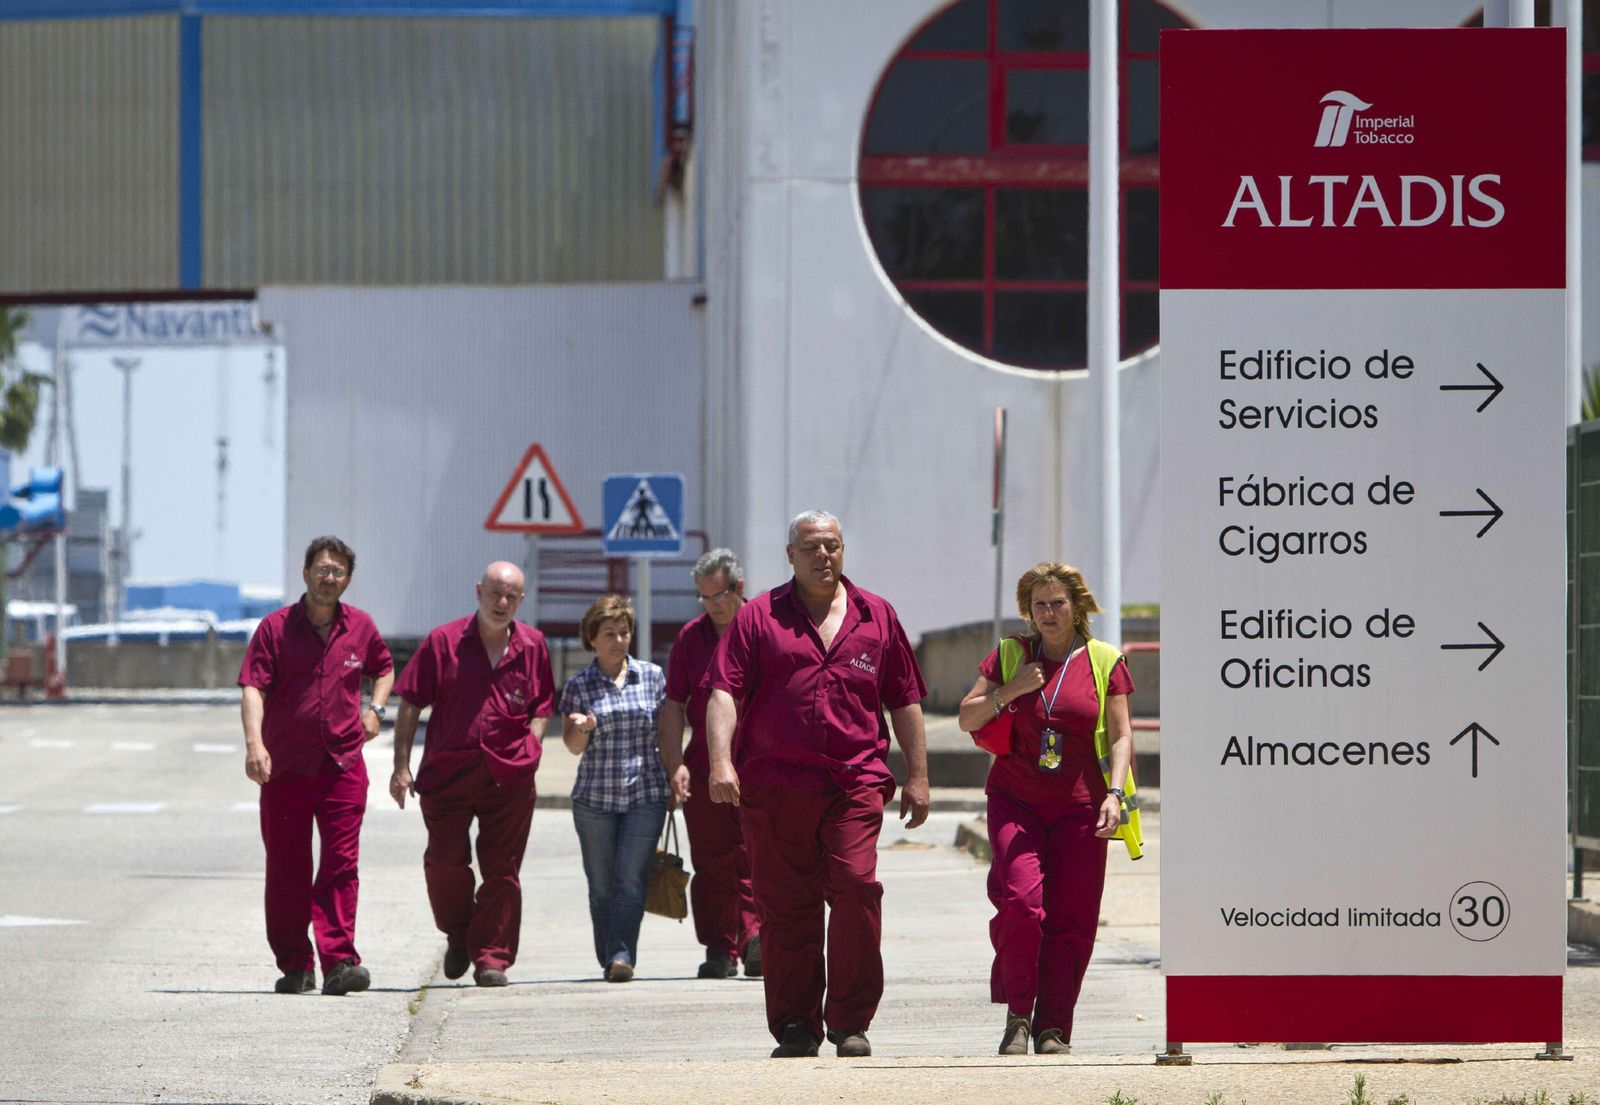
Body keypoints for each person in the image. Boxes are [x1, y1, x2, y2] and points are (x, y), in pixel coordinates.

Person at [704, 510, 930, 1059]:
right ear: (790, 556)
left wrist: (919, 776)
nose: (823, 555)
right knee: (786, 906)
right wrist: (720, 762)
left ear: (843, 549)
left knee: (856, 887)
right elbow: (724, 691)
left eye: (831, 545)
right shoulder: (758, 617)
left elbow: (904, 699)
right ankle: (796, 1024)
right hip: (776, 785)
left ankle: (850, 1021)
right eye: (810, 547)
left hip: (855, 781)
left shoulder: (877, 615)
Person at [956, 561, 1140, 1056]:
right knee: (1020, 903)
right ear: (1028, 611)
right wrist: (1012, 690)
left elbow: (1121, 735)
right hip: (1016, 799)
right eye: (1039, 604)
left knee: (1072, 920)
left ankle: (1053, 1026)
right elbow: (967, 717)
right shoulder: (1011, 655)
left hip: (1081, 805)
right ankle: (1018, 1014)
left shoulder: (1105, 660)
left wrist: (1115, 793)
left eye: (1058, 603)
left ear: (1077, 607)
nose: (1049, 612)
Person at [239, 535, 394, 997]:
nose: (329, 577)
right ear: (306, 574)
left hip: (342, 766)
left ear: (347, 580)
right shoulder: (275, 628)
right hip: (285, 768)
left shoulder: (361, 626)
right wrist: (254, 744)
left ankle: (340, 960)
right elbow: (253, 688)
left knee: (341, 864)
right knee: (287, 868)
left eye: (338, 571)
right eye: (323, 569)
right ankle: (296, 964)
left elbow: (384, 668)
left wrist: (376, 710)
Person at [389, 562, 555, 987]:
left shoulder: (533, 645)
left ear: (521, 600)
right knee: (445, 862)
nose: (502, 602)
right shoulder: (442, 642)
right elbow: (410, 703)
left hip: (510, 775)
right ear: (479, 591)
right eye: (495, 592)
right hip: (448, 772)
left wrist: (532, 747)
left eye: (511, 596)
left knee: (502, 870)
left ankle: (492, 958)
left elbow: (541, 707)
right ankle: (459, 935)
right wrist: (401, 766)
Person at [658, 548, 761, 981]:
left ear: (739, 587)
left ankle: (756, 939)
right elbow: (673, 706)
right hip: (705, 766)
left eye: (718, 595)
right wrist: (674, 764)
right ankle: (720, 948)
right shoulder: (690, 638)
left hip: (760, 764)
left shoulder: (765, 626)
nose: (712, 604)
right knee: (712, 860)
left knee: (757, 856)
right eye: (704, 597)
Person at [561, 594, 669, 982]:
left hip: (646, 793)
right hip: (595, 798)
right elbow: (572, 746)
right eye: (609, 633)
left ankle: (622, 955)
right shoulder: (579, 685)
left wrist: (676, 774)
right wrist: (583, 728)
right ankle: (608, 954)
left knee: (631, 879)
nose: (619, 640)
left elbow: (666, 733)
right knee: (602, 886)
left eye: (624, 632)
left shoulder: (652, 676)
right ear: (592, 638)